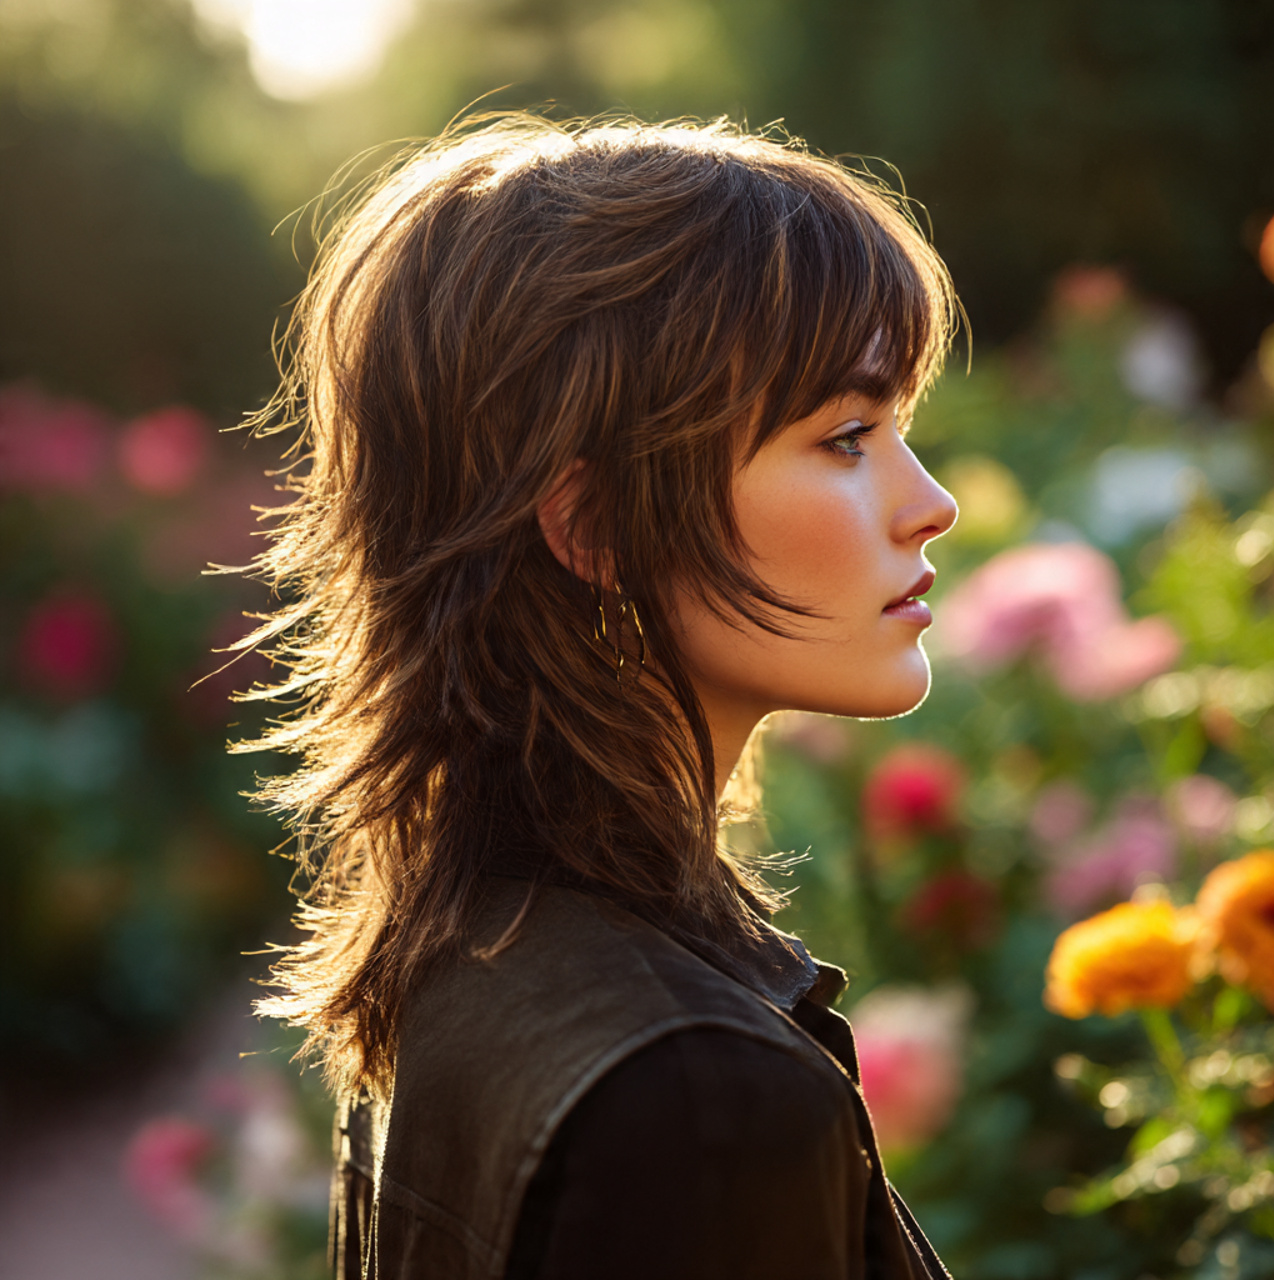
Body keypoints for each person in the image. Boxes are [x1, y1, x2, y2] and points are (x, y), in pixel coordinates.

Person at [242, 112, 960, 1279]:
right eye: (845, 435)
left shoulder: (469, 935)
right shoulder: (695, 1100)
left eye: (899, 429)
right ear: (590, 523)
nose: (929, 501)